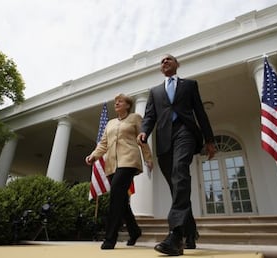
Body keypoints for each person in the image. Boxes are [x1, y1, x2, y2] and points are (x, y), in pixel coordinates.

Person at [137, 54, 216, 256]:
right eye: (162, 61)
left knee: (180, 173)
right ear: (160, 69)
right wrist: (144, 130)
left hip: (186, 132)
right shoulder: (154, 92)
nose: (164, 62)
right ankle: (191, 233)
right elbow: (150, 116)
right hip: (164, 139)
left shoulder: (189, 85)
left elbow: (200, 112)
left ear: (177, 65)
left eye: (169, 59)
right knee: (176, 185)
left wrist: (209, 139)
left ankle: (175, 235)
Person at [85, 93, 153, 250]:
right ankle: (134, 231)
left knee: (116, 196)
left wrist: (148, 158)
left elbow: (142, 140)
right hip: (111, 164)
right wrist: (93, 156)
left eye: (120, 101)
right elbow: (103, 144)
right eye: (115, 102)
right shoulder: (110, 123)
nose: (116, 103)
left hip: (129, 161)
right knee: (121, 201)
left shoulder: (135, 118)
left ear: (128, 105)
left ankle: (110, 238)